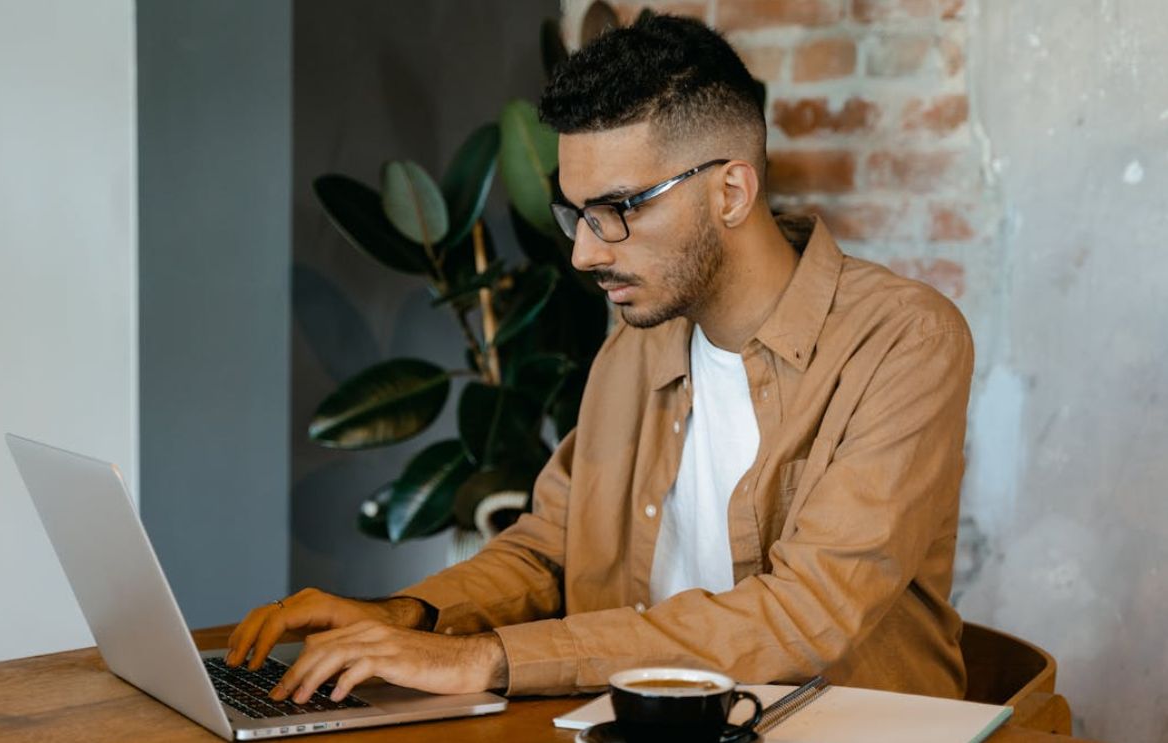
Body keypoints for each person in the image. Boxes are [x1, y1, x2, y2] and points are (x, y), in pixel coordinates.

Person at [226, 13, 974, 705]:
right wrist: (405, 615)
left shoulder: (905, 341)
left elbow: (805, 614)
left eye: (617, 209)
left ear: (730, 192)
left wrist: (483, 659)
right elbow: (551, 547)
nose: (584, 252)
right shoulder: (638, 340)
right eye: (576, 214)